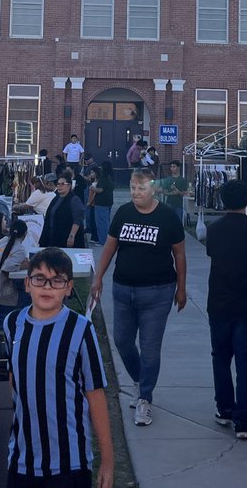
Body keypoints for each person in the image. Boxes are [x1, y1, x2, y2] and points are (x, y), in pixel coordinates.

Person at [5, 248, 114, 488]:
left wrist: (107, 461)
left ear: (69, 288)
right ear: (27, 283)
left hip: (68, 464)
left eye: (57, 281)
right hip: (22, 459)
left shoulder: (81, 330)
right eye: (39, 279)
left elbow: (95, 394)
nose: (47, 287)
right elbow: (14, 380)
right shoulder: (12, 323)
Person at [91, 168, 187, 427]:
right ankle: (138, 379)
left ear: (153, 189)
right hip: (123, 290)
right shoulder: (123, 213)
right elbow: (110, 247)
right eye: (133, 188)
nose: (135, 193)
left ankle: (145, 398)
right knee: (122, 340)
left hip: (158, 292)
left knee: (150, 348)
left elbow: (179, 254)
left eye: (141, 188)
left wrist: (181, 287)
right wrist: (98, 278)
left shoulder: (167, 217)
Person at [205, 179, 247, 440]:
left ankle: (224, 408)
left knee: (220, 357)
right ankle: (244, 420)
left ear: (223, 202)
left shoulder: (213, 230)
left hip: (219, 301)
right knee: (246, 362)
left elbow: (212, 255)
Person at [44, 172, 87, 248]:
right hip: (54, 236)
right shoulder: (56, 198)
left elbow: (78, 219)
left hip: (66, 237)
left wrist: (72, 235)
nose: (59, 186)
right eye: (58, 184)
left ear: (69, 185)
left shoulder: (74, 199)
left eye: (62, 184)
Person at [89, 160, 115, 244]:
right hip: (109, 201)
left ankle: (102, 241)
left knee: (101, 222)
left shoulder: (104, 177)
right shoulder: (111, 176)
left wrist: (93, 188)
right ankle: (105, 239)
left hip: (101, 202)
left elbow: (100, 190)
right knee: (106, 221)